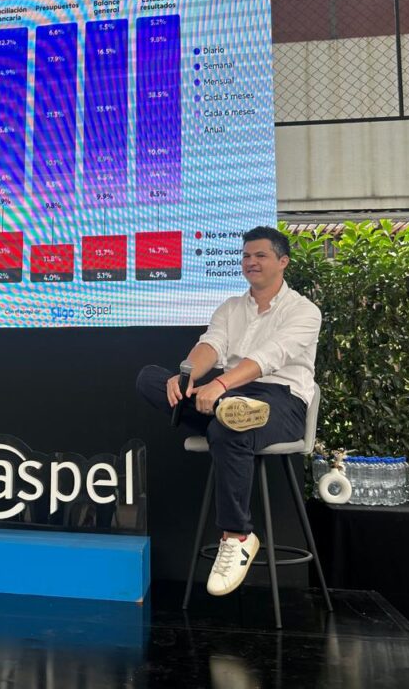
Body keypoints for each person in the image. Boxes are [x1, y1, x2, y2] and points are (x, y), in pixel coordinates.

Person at [136, 226, 320, 597]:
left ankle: (237, 536)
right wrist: (188, 375)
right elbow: (212, 345)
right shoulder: (230, 308)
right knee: (151, 379)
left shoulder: (304, 311)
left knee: (228, 426)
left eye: (260, 255)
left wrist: (220, 385)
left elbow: (269, 357)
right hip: (229, 396)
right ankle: (227, 410)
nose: (251, 262)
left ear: (283, 261)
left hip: (281, 401)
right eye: (246, 255)